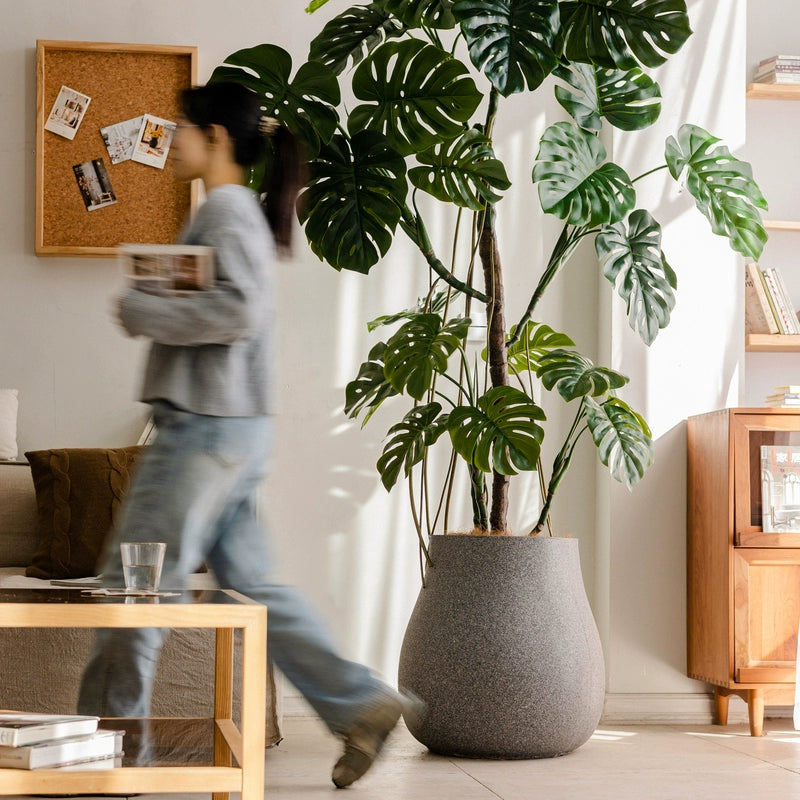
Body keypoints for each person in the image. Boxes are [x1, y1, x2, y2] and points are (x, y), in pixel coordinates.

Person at [77, 81, 404, 789]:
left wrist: (143, 310)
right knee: (255, 588)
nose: (170, 141)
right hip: (233, 430)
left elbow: (240, 311)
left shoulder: (225, 210)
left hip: (202, 430)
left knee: (134, 590)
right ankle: (361, 702)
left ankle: (103, 768)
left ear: (216, 137)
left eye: (180, 129)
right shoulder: (232, 212)